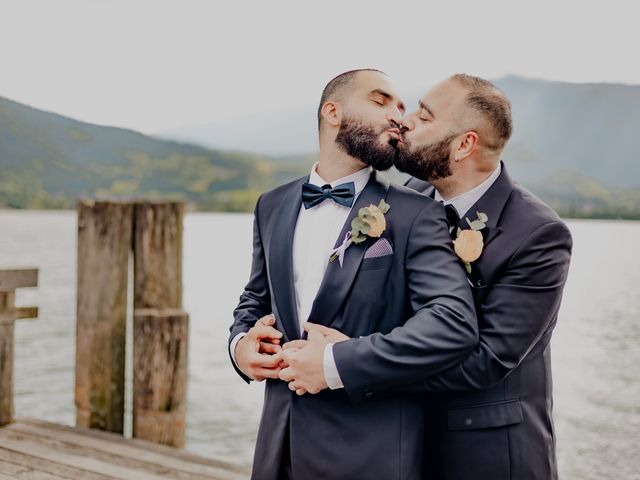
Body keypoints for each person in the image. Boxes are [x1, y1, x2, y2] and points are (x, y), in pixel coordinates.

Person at [281, 74, 573, 480]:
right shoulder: (405, 201)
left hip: (487, 456)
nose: (405, 121)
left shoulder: (538, 233)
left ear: (464, 145)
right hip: (396, 445)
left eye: (425, 116)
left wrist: (346, 362)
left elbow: (486, 361)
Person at [228, 69, 478, 480]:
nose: (398, 116)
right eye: (381, 102)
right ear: (333, 112)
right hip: (278, 447)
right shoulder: (271, 204)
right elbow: (255, 297)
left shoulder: (417, 214)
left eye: (402, 107)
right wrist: (241, 346)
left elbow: (453, 324)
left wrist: (334, 363)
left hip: (369, 454)